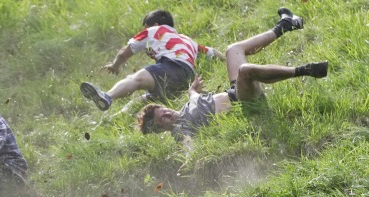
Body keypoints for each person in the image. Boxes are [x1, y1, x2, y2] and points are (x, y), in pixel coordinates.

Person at [136, 7, 328, 142]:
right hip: (245, 105)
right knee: (245, 71)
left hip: (236, 91)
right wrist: (189, 160)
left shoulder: (186, 108)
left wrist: (192, 90)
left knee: (233, 50)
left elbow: (193, 96)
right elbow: (188, 145)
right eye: (164, 119)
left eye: (165, 111)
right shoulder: (180, 130)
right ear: (162, 129)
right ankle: (306, 70)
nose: (169, 114)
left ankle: (287, 24)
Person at [80, 10, 223, 113]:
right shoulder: (188, 40)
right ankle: (116, 117)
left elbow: (125, 52)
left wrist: (115, 66)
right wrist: (228, 58)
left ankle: (107, 97)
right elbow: (213, 52)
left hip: (171, 66)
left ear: (154, 24)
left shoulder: (153, 30)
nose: (145, 30)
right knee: (143, 100)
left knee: (136, 79)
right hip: (187, 80)